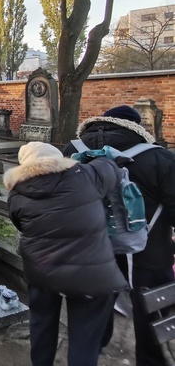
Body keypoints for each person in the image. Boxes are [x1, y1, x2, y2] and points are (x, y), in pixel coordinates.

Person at [63, 105, 175, 365]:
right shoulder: (160, 158)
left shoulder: (72, 151)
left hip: (87, 246)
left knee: (91, 306)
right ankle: (152, 359)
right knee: (152, 311)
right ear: (136, 128)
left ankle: (89, 351)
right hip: (149, 251)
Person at [5, 141, 128, 366]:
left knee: (41, 324)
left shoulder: (17, 193)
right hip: (90, 272)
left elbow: (20, 224)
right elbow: (111, 167)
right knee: (85, 339)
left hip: (42, 269)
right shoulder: (88, 176)